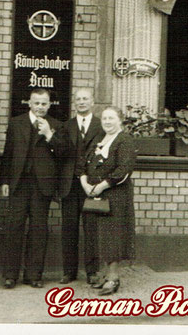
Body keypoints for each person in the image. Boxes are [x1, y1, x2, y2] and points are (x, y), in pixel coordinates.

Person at [0, 88, 63, 289]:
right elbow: (8, 154)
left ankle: (34, 275)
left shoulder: (56, 125)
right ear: (29, 103)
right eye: (37, 103)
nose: (40, 107)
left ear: (49, 105)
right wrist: (4, 181)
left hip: (42, 186)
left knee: (38, 230)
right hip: (19, 184)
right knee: (14, 228)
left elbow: (63, 153)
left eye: (44, 103)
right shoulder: (16, 123)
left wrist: (49, 135)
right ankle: (10, 275)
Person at [80, 105, 136, 295]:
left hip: (115, 196)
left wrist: (101, 186)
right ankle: (105, 275)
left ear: (120, 120)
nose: (107, 122)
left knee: (112, 237)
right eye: (104, 118)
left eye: (111, 118)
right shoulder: (99, 139)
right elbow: (84, 163)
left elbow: (123, 170)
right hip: (95, 195)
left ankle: (113, 278)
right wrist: (86, 184)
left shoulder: (124, 140)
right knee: (99, 236)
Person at [50, 88, 104, 285]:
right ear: (74, 103)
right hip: (69, 185)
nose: (81, 102)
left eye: (85, 99)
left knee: (91, 229)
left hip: (91, 186)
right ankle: (69, 272)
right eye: (78, 99)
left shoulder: (101, 125)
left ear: (92, 102)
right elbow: (59, 157)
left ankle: (92, 272)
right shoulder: (66, 126)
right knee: (69, 229)